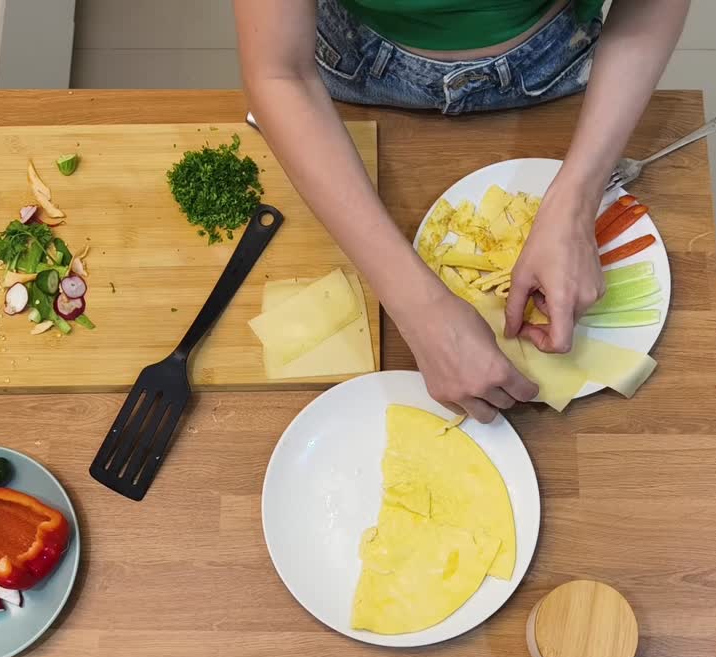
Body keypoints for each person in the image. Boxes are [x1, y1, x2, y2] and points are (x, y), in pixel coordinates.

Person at [234, 0, 690, 422]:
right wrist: (419, 309)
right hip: (357, 61)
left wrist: (576, 203)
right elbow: (280, 74)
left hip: (556, 60)